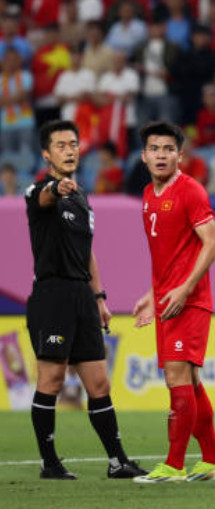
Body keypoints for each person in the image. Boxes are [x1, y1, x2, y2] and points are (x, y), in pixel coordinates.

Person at [24, 120, 145, 480]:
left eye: (73, 144)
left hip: (81, 297)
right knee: (52, 378)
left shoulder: (82, 198)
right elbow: (46, 196)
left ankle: (117, 462)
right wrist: (57, 187)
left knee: (99, 383)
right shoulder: (39, 191)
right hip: (53, 295)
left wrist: (99, 298)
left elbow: (87, 252)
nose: (69, 150)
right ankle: (49, 463)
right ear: (46, 154)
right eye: (60, 145)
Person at [131, 121, 215, 483]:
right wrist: (151, 295)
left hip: (190, 300)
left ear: (180, 156)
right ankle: (213, 461)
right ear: (144, 156)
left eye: (168, 149)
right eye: (154, 149)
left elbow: (212, 244)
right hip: (167, 300)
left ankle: (173, 465)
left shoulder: (190, 191)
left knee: (176, 377)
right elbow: (167, 257)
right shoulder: (148, 194)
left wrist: (185, 289)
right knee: (190, 380)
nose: (161, 155)